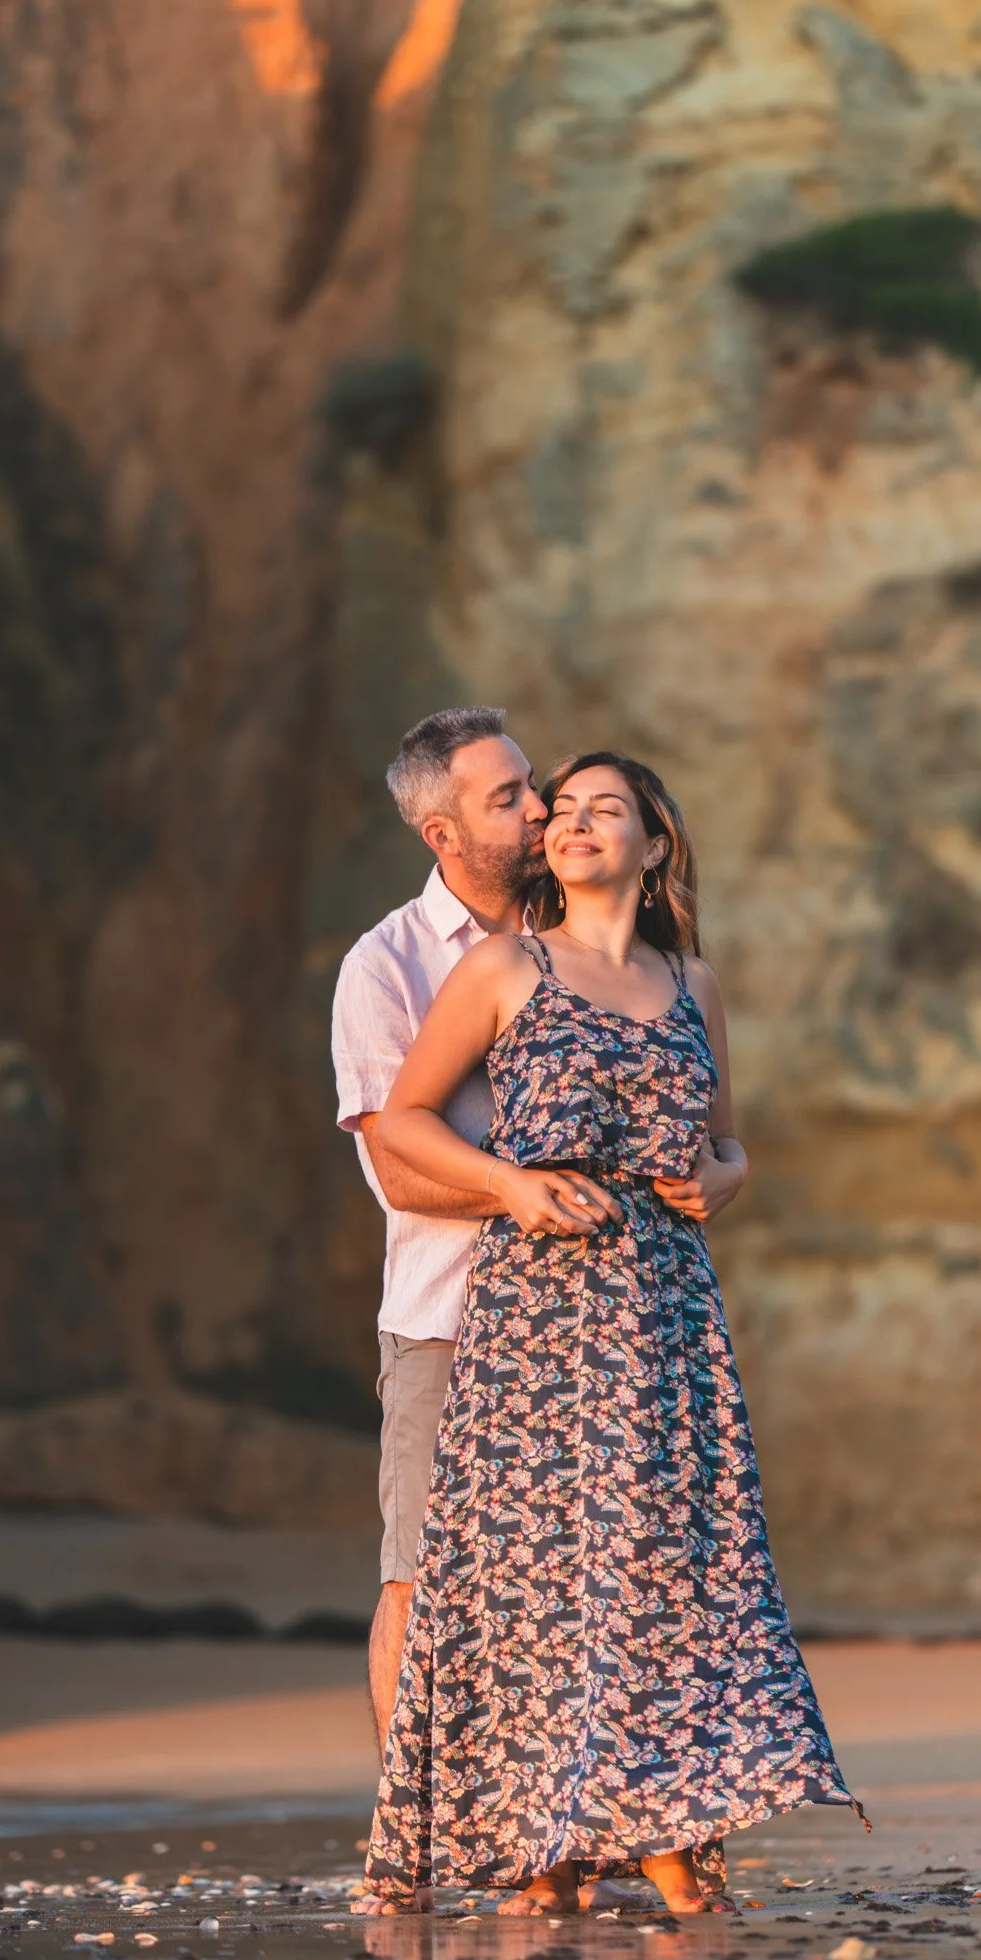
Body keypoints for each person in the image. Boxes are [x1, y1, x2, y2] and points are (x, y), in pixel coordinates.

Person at [365, 749, 862, 1917]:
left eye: (607, 809)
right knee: (533, 1583)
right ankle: (541, 1853)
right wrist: (509, 1183)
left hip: (666, 1311)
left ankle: (662, 1837)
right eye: (564, 809)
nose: (575, 822)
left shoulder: (693, 984)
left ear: (653, 842)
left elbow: (727, 1141)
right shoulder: (504, 966)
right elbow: (400, 1122)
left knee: (662, 1571)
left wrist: (724, 1176)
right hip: (534, 1315)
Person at [330, 708, 623, 1755]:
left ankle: (566, 1816)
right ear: (442, 834)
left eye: (531, 784)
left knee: (594, 1583)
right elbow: (398, 1172)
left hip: (594, 1320)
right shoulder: (386, 966)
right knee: (420, 1579)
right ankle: (402, 1823)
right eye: (508, 799)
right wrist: (527, 1191)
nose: (540, 809)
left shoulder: (592, 934)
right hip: (446, 1320)